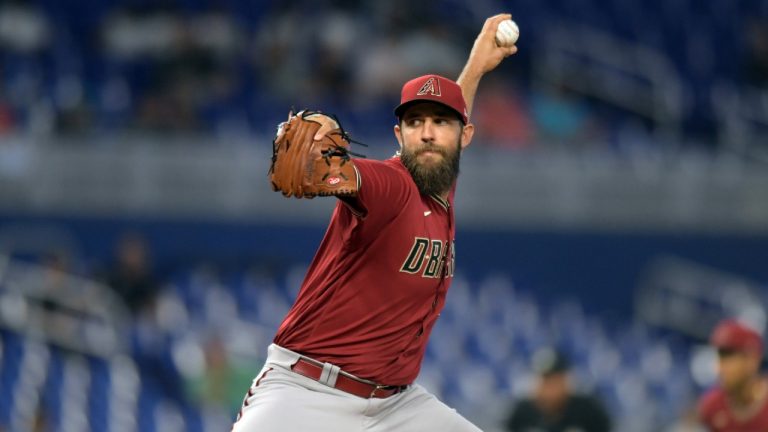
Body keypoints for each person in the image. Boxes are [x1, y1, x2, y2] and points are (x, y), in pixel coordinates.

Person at [231, 14, 517, 432]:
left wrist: (474, 69)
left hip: (395, 408)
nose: (428, 133)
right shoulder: (392, 185)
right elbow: (352, 177)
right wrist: (325, 170)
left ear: (465, 136)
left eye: (441, 122)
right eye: (415, 122)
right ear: (399, 136)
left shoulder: (440, 184)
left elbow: (448, 134)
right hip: (308, 394)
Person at [505, 348, 611, 432]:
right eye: (545, 380)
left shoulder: (587, 409)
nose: (549, 388)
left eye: (554, 380)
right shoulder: (523, 412)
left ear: (564, 380)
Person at [697, 319, 768, 431]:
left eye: (728, 358)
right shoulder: (712, 407)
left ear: (752, 360)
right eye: (719, 358)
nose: (719, 369)